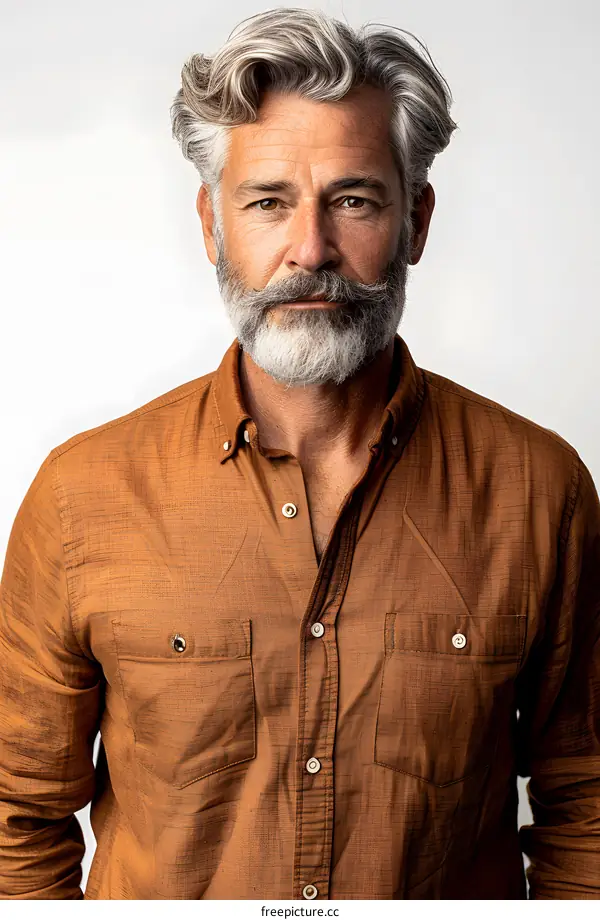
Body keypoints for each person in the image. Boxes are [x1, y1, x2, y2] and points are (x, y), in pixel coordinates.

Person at [0, 6, 598, 901]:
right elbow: (17, 818)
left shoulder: (538, 490)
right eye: (268, 202)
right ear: (212, 224)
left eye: (353, 199)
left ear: (417, 222)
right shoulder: (82, 497)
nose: (309, 250)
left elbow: (585, 807)